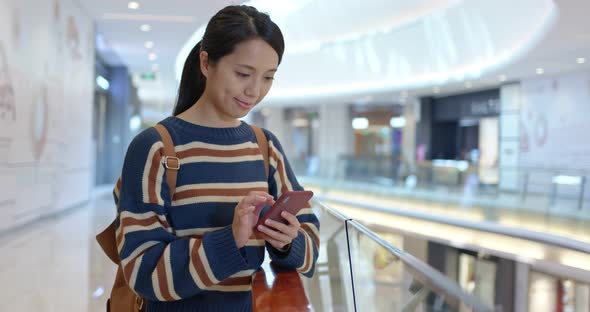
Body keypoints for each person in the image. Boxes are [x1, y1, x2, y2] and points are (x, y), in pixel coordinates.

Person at [114, 5, 320, 311]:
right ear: (206, 62)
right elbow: (143, 271)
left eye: (268, 78)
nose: (254, 91)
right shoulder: (155, 147)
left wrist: (288, 240)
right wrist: (229, 239)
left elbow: (311, 246)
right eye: (242, 74)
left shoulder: (265, 147)